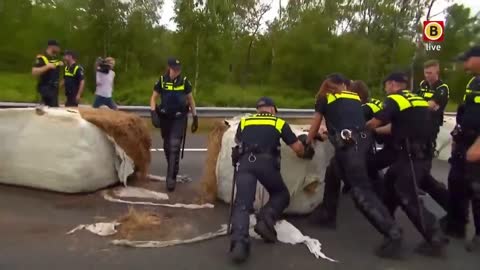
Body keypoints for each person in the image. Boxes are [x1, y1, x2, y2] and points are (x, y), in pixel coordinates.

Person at [307, 74, 404, 259]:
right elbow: (349, 119)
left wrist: (308, 141)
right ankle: (328, 214)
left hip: (349, 145)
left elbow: (315, 125)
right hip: (364, 141)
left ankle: (392, 232)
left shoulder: (324, 98)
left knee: (361, 191)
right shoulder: (354, 97)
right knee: (333, 171)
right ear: (343, 86)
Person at [366, 72, 447, 257]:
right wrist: (377, 130)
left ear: (393, 84)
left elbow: (376, 121)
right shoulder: (416, 99)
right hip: (420, 153)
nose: (386, 88)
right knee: (389, 183)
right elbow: (397, 126)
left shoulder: (395, 99)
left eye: (386, 84)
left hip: (411, 155)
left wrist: (360, 130)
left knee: (407, 195)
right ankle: (389, 225)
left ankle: (435, 237)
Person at [229, 97, 314, 263]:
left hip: (246, 163)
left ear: (258, 110)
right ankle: (266, 218)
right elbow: (298, 149)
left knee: (242, 204)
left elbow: (238, 142)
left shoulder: (245, 122)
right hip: (267, 164)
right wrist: (306, 147)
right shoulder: (279, 123)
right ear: (273, 110)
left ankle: (239, 244)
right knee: (281, 194)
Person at [150, 58, 199, 192]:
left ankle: (171, 177)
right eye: (174, 69)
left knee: (174, 144)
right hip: (165, 117)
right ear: (169, 68)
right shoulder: (162, 80)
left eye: (179, 69)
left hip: (179, 117)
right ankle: (174, 166)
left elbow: (190, 99)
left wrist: (195, 117)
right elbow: (153, 98)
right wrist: (153, 113)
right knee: (167, 146)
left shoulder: (184, 82)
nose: (177, 71)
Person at [454, 45, 480, 251]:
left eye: (467, 59)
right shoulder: (474, 82)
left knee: (477, 190)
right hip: (465, 140)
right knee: (458, 182)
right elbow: (464, 111)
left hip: (477, 144)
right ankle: (457, 223)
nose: (464, 64)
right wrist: (457, 132)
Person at [31, 39, 63, 107]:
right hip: (45, 90)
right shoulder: (42, 57)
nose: (59, 49)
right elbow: (34, 72)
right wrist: (47, 67)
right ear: (52, 47)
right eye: (58, 47)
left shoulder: (55, 58)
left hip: (54, 91)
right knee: (45, 112)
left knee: (54, 111)